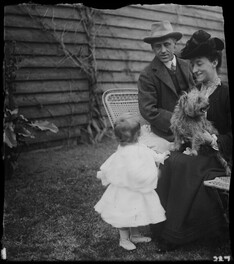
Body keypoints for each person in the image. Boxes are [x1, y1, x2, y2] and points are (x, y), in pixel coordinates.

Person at [152, 29, 232, 252]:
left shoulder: (225, 94)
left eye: (199, 64)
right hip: (194, 150)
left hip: (218, 154)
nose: (194, 70)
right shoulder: (195, 93)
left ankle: (179, 234)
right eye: (192, 65)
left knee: (186, 165)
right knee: (170, 161)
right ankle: (163, 227)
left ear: (214, 62)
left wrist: (213, 139)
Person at [94, 113, 170, 251]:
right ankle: (124, 239)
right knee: (125, 213)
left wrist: (160, 157)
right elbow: (132, 171)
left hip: (137, 189)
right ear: (136, 135)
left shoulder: (139, 145)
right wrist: (152, 175)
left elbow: (149, 153)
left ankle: (135, 234)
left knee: (137, 211)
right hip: (127, 189)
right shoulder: (125, 152)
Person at [138, 20, 195, 144]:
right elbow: (148, 110)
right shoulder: (147, 75)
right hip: (167, 132)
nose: (163, 50)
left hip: (194, 126)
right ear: (152, 48)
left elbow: (196, 93)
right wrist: (180, 122)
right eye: (158, 46)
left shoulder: (188, 65)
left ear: (175, 44)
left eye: (167, 44)